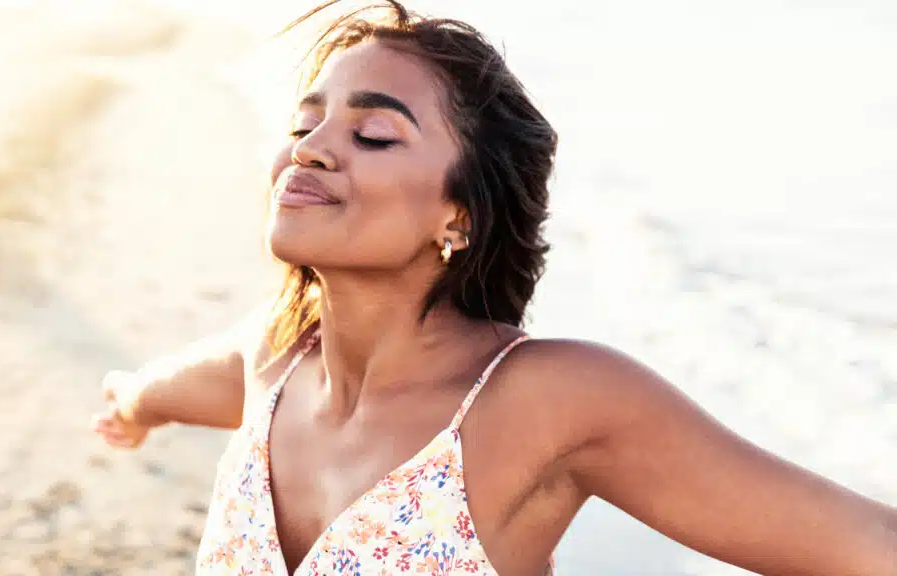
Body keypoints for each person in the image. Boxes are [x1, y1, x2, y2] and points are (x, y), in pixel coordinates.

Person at [91, 1, 897, 574]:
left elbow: (865, 550)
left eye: (372, 133)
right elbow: (193, 381)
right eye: (305, 125)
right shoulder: (277, 357)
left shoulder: (543, 402)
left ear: (460, 217)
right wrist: (131, 402)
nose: (313, 148)